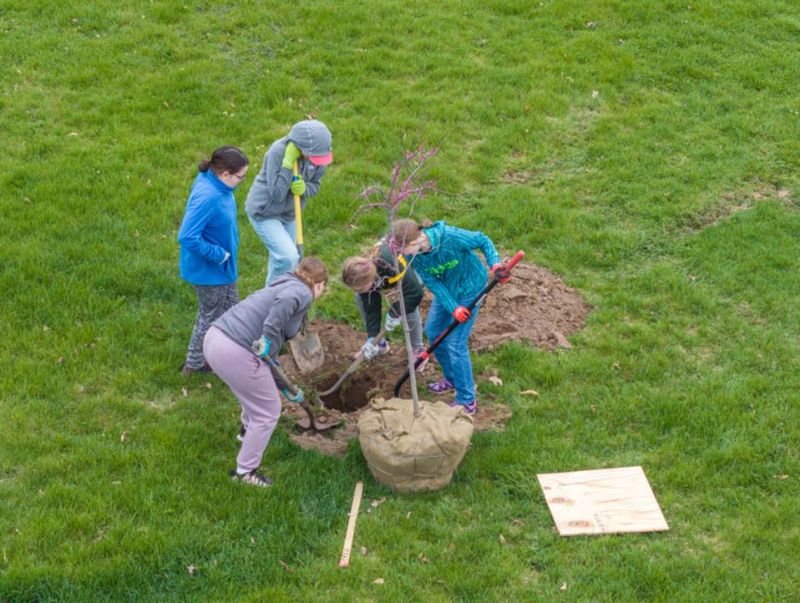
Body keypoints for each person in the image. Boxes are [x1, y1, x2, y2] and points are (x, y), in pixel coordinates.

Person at [202, 257, 329, 488]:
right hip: (235, 351)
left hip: (216, 338)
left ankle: (246, 432)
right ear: (319, 285)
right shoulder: (300, 292)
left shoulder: (285, 282)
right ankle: (245, 471)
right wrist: (269, 339)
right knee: (268, 411)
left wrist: (285, 387)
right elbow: (278, 319)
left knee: (254, 392)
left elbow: (267, 361)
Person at [389, 219, 509, 414]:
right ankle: (453, 378)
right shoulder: (416, 257)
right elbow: (432, 283)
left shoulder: (449, 237)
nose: (402, 254)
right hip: (448, 292)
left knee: (455, 344)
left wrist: (495, 265)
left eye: (403, 249)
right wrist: (453, 308)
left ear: (414, 242)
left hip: (471, 289)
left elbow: (482, 239)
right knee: (433, 331)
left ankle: (467, 400)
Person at [178, 145, 249, 376]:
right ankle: (195, 363)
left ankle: (229, 353)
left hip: (223, 268)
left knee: (231, 310)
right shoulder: (209, 196)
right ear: (225, 174)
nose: (242, 181)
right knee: (210, 315)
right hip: (209, 271)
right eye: (241, 177)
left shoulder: (217, 185)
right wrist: (218, 255)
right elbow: (187, 236)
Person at [245, 120, 333, 284]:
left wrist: (304, 188)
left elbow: (316, 186)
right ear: (301, 147)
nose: (317, 161)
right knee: (288, 256)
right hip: (265, 211)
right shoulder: (278, 152)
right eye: (314, 157)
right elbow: (277, 194)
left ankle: (287, 295)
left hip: (290, 213)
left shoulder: (318, 157)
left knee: (293, 258)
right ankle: (270, 297)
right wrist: (287, 164)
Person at [341, 239, 427, 368]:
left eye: (359, 288)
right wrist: (372, 337)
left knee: (407, 305)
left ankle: (418, 349)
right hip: (384, 276)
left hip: (417, 263)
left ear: (369, 280)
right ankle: (379, 344)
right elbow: (371, 307)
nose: (356, 290)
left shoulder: (392, 265)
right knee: (360, 297)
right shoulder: (365, 273)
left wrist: (395, 312)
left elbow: (415, 293)